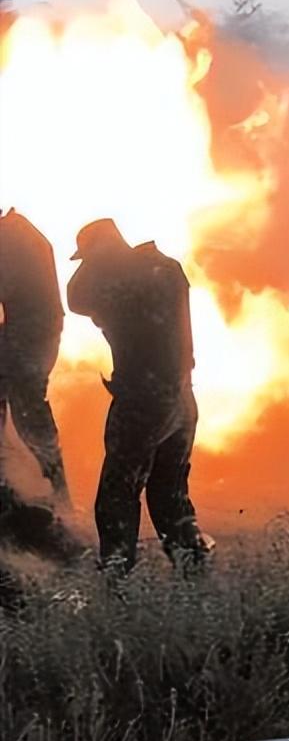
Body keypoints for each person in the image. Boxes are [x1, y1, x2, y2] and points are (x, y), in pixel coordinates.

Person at [65, 218, 208, 573]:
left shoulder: (115, 279)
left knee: (116, 496)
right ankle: (195, 571)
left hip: (142, 403)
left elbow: (75, 296)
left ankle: (117, 582)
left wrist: (99, 259)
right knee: (169, 496)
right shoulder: (166, 269)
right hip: (182, 399)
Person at [0, 208, 69, 505]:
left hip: (28, 338)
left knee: (30, 416)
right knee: (27, 412)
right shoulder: (21, 232)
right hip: (33, 334)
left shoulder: (11, 239)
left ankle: (59, 495)